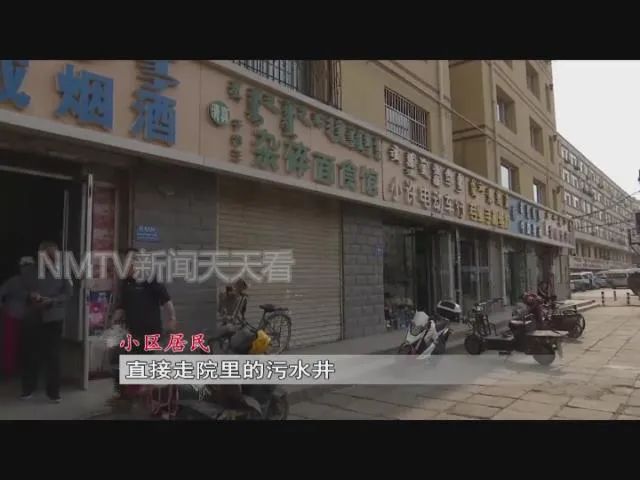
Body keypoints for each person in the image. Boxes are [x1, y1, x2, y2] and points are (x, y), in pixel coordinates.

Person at [108, 248, 177, 408]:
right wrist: (114, 320)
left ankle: (145, 399)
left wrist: (172, 318)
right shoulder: (126, 282)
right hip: (133, 331)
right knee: (120, 359)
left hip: (150, 331)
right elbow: (122, 305)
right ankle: (129, 395)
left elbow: (166, 300)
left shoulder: (150, 280)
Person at [22, 242, 71, 403]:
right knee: (31, 354)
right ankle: (28, 389)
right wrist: (31, 295)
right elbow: (21, 290)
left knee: (53, 356)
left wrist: (53, 300)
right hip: (34, 316)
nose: (52, 258)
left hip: (53, 317)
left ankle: (53, 392)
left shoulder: (62, 271)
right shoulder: (29, 271)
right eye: (48, 255)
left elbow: (68, 293)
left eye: (54, 255)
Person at [0, 257, 37, 380]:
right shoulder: (14, 281)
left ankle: (17, 369)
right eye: (25, 266)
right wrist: (2, 308)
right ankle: (9, 370)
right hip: (13, 316)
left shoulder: (35, 282)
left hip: (27, 317)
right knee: (10, 344)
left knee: (24, 345)